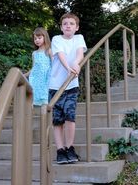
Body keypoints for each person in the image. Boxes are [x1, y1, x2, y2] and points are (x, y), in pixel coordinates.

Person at [48, 12, 87, 164]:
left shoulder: (79, 38)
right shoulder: (56, 39)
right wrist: (69, 68)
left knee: (70, 118)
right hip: (55, 86)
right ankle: (60, 150)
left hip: (71, 86)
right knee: (57, 121)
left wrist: (76, 63)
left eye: (71, 24)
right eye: (65, 24)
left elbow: (79, 53)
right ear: (61, 27)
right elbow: (62, 55)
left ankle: (69, 147)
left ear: (76, 27)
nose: (68, 26)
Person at [24, 27, 52, 106]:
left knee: (46, 98)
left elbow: (54, 65)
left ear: (45, 37)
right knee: (34, 95)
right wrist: (25, 75)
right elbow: (34, 68)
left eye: (39, 38)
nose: (37, 40)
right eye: (35, 39)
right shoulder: (34, 53)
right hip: (36, 78)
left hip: (46, 77)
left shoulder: (49, 51)